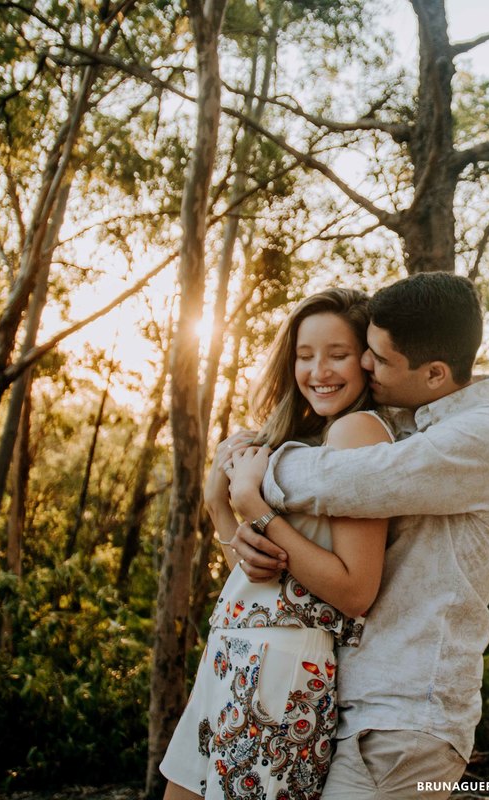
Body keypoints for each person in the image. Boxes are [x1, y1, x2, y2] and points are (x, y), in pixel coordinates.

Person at [227, 272, 489, 800]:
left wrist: (250, 476)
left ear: (434, 373)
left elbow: (348, 479)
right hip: (362, 705)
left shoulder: (481, 438)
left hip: (407, 717)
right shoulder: (411, 422)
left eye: (379, 359)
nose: (365, 364)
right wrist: (236, 453)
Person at [160, 288, 393, 800]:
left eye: (338, 354)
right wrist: (221, 509)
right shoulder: (303, 437)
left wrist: (255, 506)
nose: (319, 370)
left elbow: (355, 591)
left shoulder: (357, 432)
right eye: (305, 356)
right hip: (232, 648)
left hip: (282, 667)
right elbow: (259, 579)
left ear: (367, 360)